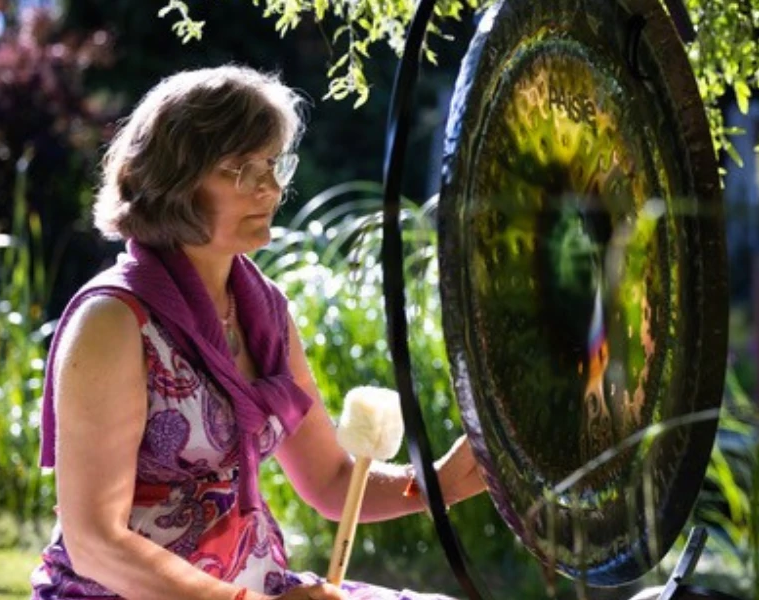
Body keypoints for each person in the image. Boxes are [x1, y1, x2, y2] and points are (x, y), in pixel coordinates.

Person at [29, 65, 488, 600]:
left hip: (257, 586)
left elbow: (333, 482)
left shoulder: (265, 311)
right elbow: (95, 543)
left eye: (273, 164)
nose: (271, 188)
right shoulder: (112, 321)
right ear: (175, 180)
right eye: (243, 170)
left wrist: (436, 483)